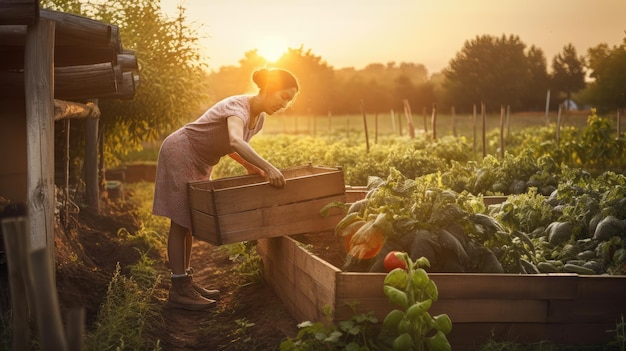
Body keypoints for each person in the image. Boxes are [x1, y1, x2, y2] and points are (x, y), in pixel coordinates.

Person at [152, 68, 299, 310]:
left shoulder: (258, 119)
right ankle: (179, 290)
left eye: (289, 101)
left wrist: (249, 166)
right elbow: (234, 140)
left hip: (201, 160)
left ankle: (185, 280)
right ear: (271, 88)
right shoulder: (238, 107)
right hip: (181, 151)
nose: (284, 104)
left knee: (189, 221)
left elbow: (231, 147)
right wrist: (268, 168)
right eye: (284, 96)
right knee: (180, 222)